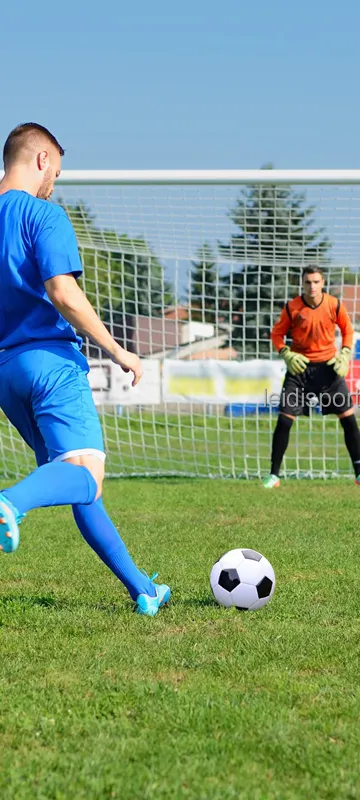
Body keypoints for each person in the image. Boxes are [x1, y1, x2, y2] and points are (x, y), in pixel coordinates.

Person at [0, 123, 170, 616]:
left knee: (72, 476)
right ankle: (9, 503)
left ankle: (142, 589)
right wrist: (120, 352)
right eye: (56, 170)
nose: (55, 181)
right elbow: (62, 291)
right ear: (42, 160)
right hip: (50, 364)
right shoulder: (43, 214)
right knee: (88, 477)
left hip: (6, 373)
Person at [264, 265, 360, 489]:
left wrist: (345, 353)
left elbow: (348, 330)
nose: (312, 286)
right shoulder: (292, 307)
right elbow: (276, 333)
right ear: (302, 284)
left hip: (329, 370)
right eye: (308, 282)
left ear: (322, 283)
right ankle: (274, 476)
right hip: (299, 371)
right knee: (285, 420)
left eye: (316, 282)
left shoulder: (334, 305)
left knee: (348, 418)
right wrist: (286, 353)